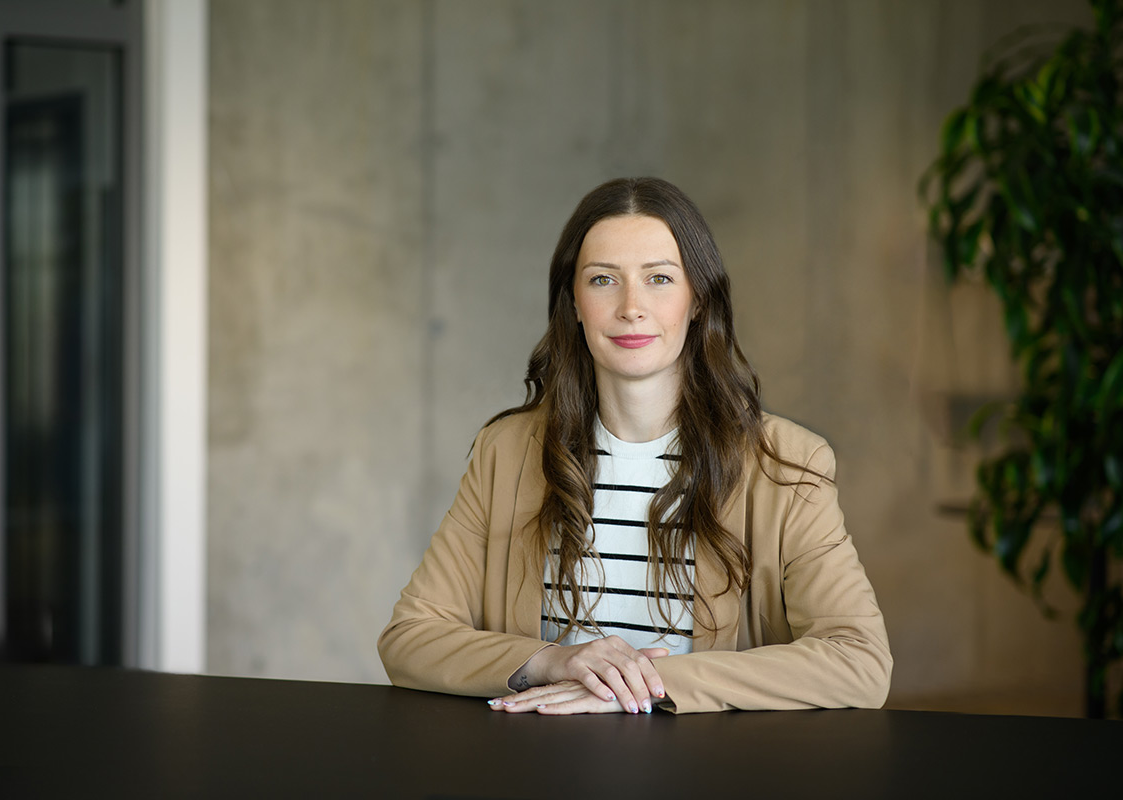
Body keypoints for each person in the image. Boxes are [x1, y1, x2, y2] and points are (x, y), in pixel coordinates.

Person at [378, 177, 891, 714]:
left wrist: (645, 682)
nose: (631, 307)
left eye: (660, 279)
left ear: (697, 301)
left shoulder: (787, 465)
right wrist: (553, 661)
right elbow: (409, 638)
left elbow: (859, 662)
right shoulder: (506, 452)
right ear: (573, 303)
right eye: (603, 280)